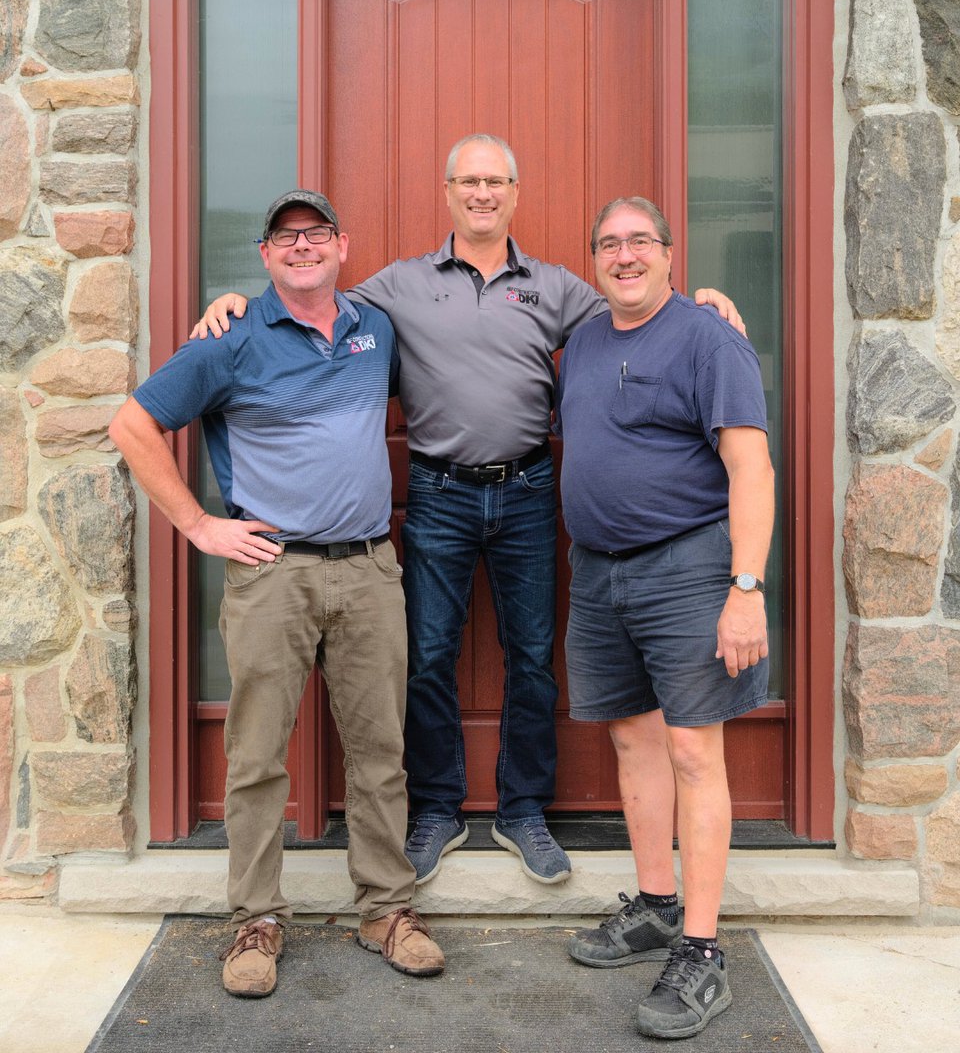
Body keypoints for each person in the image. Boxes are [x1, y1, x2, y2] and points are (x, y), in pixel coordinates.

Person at [194, 137, 744, 888]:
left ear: (515, 193)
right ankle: (436, 808)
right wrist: (234, 303)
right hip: (438, 493)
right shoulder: (400, 284)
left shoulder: (555, 287)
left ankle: (524, 810)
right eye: (468, 181)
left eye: (495, 181)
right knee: (427, 655)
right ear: (448, 192)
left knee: (532, 656)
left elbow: (640, 309)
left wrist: (705, 300)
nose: (482, 193)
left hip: (528, 490)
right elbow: (311, 300)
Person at [109, 189, 444, 998]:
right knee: (256, 757)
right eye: (285, 237)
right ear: (264, 256)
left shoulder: (377, 329)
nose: (302, 247)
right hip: (272, 573)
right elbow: (131, 425)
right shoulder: (230, 337)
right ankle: (255, 919)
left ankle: (387, 911)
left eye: (316, 233)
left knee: (381, 753)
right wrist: (198, 525)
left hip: (369, 569)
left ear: (342, 245)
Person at [555, 196, 774, 1040]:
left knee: (691, 749)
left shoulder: (708, 338)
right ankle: (654, 904)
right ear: (595, 260)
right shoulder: (584, 341)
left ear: (670, 254)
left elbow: (750, 468)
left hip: (687, 568)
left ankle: (703, 953)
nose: (625, 255)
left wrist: (745, 588)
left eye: (640, 241)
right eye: (609, 244)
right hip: (598, 570)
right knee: (632, 739)